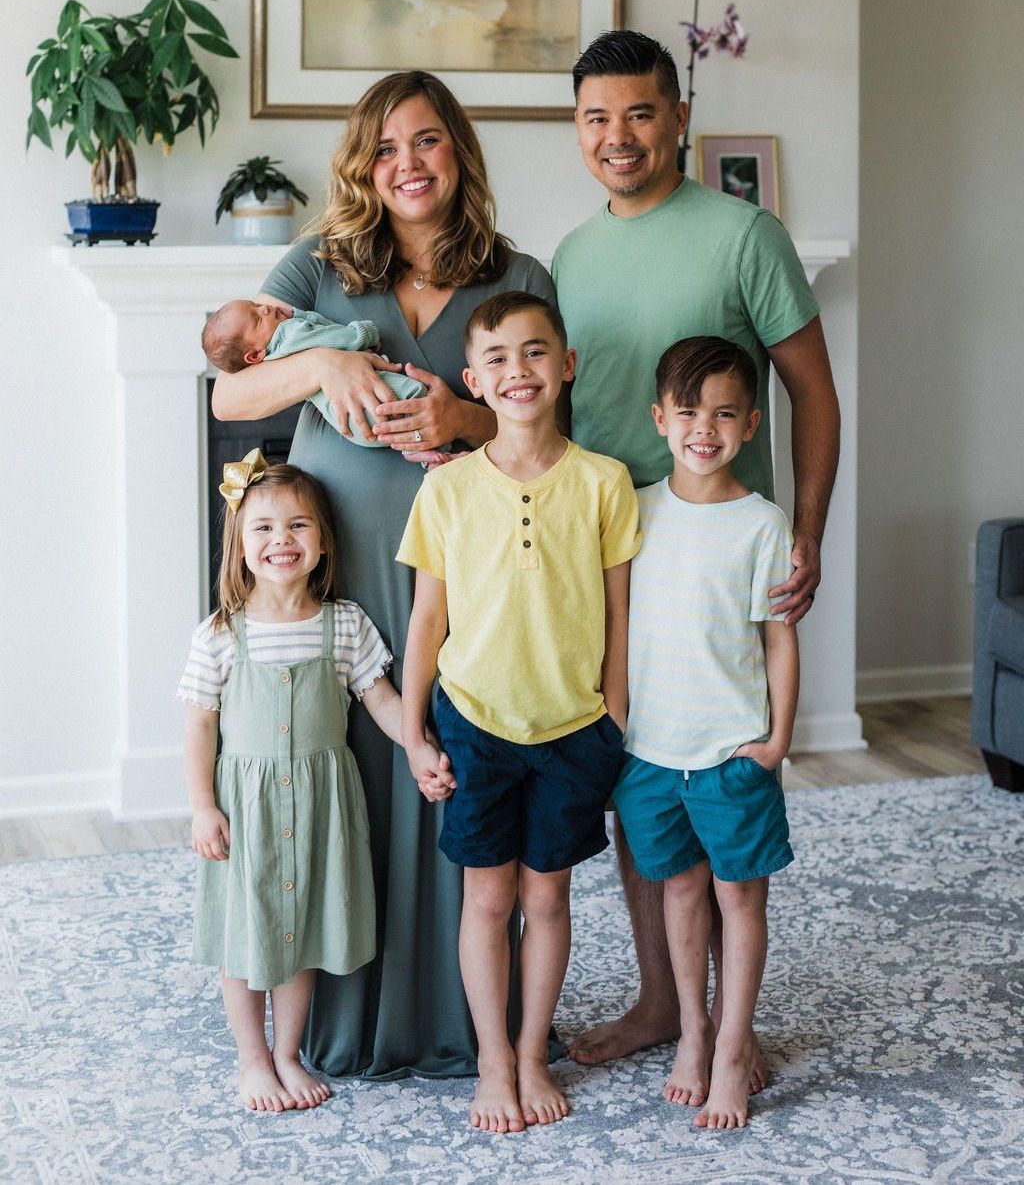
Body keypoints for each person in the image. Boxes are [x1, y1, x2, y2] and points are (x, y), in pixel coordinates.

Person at [210, 71, 556, 1080]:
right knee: (344, 778)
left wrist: (468, 421)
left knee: (458, 768)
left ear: (460, 153)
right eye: (386, 147)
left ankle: (464, 1019)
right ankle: (328, 1020)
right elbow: (233, 390)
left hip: (476, 573)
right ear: (362, 165)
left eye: (429, 141)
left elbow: (549, 422)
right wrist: (322, 370)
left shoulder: (517, 271)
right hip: (343, 579)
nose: (408, 164)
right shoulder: (318, 266)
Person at [551, 29, 840, 1071]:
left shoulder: (741, 233)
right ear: (576, 130)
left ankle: (732, 1024)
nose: (616, 136)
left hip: (723, 554)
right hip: (616, 556)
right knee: (644, 785)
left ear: (677, 117)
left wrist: (805, 528)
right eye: (594, 117)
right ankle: (663, 1001)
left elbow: (810, 390)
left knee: (723, 782)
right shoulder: (572, 256)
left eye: (637, 112)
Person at [398, 291, 641, 1133]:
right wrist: (413, 729)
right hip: (474, 721)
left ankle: (535, 1052)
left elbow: (618, 614)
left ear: (566, 366)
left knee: (549, 900)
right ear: (473, 380)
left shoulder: (605, 483)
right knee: (487, 901)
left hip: (573, 729)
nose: (518, 370)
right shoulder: (449, 489)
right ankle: (494, 1062)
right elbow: (428, 619)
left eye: (536, 352)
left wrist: (613, 717)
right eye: (497, 358)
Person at [177, 453, 403, 1111]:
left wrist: (417, 746)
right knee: (246, 931)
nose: (282, 540)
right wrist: (201, 807)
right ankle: (251, 1057)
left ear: (324, 539)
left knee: (301, 929)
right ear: (240, 546)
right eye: (264, 529)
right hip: (245, 810)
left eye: (298, 525)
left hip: (320, 805)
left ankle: (287, 1052)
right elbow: (198, 727)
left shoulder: (344, 622)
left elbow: (381, 698)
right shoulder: (220, 634)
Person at [614, 337, 798, 1130]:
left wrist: (778, 736)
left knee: (738, 896)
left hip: (733, 750)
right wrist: (617, 716)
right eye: (689, 411)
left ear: (751, 423)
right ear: (661, 418)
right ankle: (692, 1031)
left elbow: (779, 638)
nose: (705, 428)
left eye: (725, 412)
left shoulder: (762, 523)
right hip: (649, 749)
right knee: (679, 890)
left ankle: (732, 1047)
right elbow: (616, 620)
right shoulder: (636, 508)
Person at [202, 302, 445, 456]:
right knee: (415, 398)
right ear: (254, 355)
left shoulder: (272, 360)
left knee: (407, 430)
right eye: (257, 319)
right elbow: (331, 338)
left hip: (354, 424)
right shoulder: (289, 333)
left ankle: (425, 456)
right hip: (366, 404)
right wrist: (364, 334)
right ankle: (438, 449)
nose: (264, 309)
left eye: (256, 305)